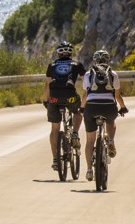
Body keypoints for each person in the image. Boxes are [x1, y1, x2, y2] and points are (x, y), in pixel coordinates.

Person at [80, 48, 129, 181]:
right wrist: (123, 107)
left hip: (91, 107)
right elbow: (117, 96)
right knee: (111, 121)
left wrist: (82, 108)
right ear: (108, 60)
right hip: (108, 107)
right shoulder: (113, 74)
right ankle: (111, 141)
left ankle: (89, 170)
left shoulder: (88, 74)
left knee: (90, 140)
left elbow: (85, 95)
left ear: (94, 60)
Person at [43, 40, 85, 172]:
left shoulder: (52, 65)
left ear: (58, 53)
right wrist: (85, 98)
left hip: (54, 98)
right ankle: (74, 134)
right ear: (70, 52)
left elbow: (47, 84)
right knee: (78, 113)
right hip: (70, 96)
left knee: (55, 129)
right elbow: (86, 82)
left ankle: (56, 160)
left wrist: (46, 100)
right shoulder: (77, 64)